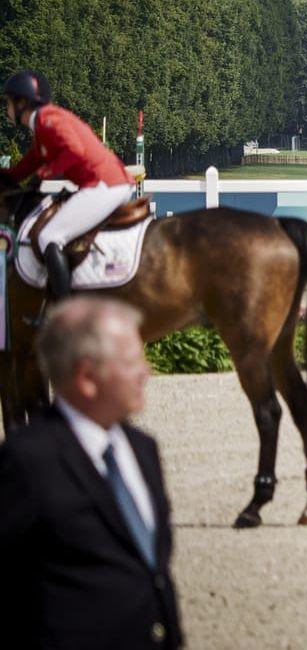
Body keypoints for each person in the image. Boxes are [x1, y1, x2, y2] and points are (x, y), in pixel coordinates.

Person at [0, 296, 183, 649]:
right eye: (131, 361)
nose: (146, 371)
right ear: (86, 376)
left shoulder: (143, 448)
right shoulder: (25, 460)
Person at [2, 70, 134, 302]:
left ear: (22, 102)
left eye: (9, 103)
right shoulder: (43, 126)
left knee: (48, 237)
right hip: (106, 183)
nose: (7, 109)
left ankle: (65, 309)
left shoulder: (47, 119)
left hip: (103, 184)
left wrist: (44, 173)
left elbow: (74, 150)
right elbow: (24, 168)